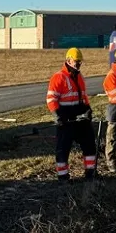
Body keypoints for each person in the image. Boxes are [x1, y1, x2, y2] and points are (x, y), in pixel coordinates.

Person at [46, 47, 97, 182]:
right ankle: (63, 176)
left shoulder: (79, 76)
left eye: (80, 61)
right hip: (65, 117)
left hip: (80, 117)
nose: (79, 64)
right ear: (68, 61)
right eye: (76, 61)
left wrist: (88, 109)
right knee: (63, 148)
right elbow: (51, 99)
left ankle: (90, 172)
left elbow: (84, 96)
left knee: (89, 144)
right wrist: (57, 115)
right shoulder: (58, 77)